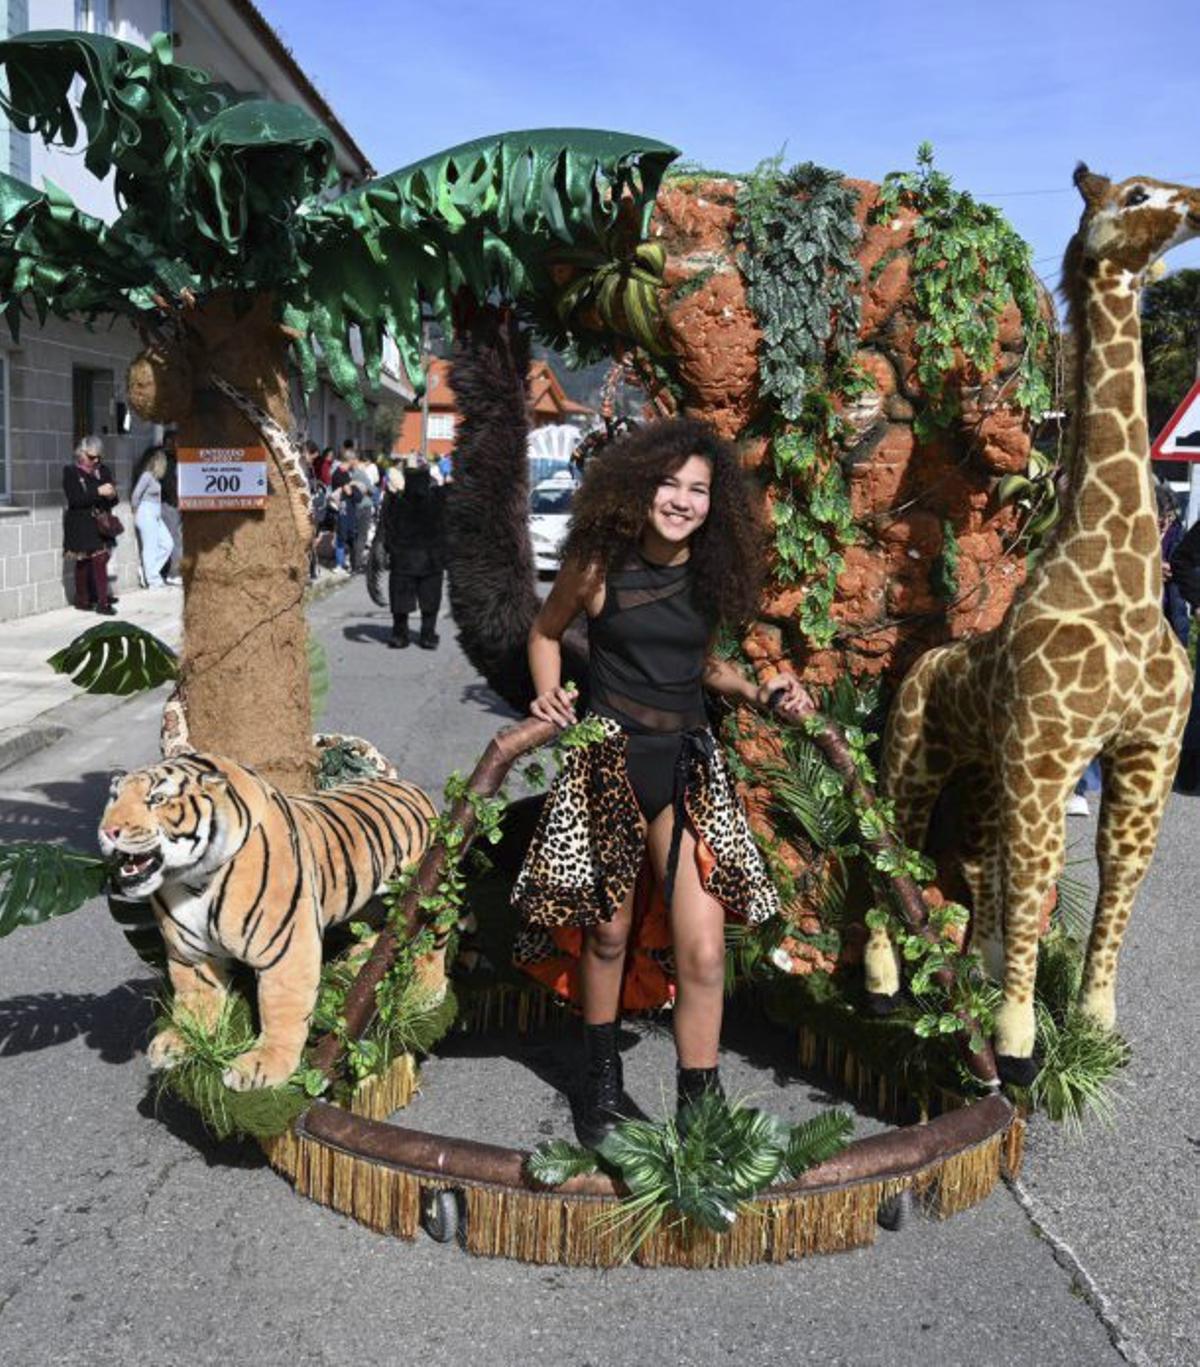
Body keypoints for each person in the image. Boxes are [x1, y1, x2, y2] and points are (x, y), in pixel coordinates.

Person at [511, 418, 808, 1148]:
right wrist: (548, 695)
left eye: (698, 489)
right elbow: (545, 632)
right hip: (609, 757)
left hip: (687, 764)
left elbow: (704, 665)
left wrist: (760, 690)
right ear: (641, 485)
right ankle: (600, 1090)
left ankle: (699, 1113)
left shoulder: (711, 573)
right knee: (607, 934)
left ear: (716, 502)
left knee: (704, 950)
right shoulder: (597, 564)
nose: (681, 500)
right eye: (670, 483)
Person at [380, 456, 445, 649]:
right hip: (424, 561)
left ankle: (405, 635)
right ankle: (423, 635)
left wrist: (388, 548)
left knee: (406, 601)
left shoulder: (398, 502)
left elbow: (386, 528)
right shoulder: (437, 501)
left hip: (409, 561)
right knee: (427, 601)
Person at [62, 435, 121, 614]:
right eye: (91, 457)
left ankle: (98, 599)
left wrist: (112, 496)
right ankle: (86, 599)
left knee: (99, 558)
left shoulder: (103, 471)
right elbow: (75, 499)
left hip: (100, 522)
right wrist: (98, 491)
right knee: (84, 561)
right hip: (80, 522)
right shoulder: (71, 472)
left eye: (98, 457)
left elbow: (112, 500)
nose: (95, 461)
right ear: (81, 454)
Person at [131, 446, 179, 589]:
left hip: (155, 514)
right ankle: (152, 580)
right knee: (150, 547)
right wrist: (135, 512)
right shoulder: (147, 476)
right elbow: (136, 494)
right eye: (164, 464)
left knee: (168, 544)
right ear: (159, 464)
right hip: (146, 512)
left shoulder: (155, 479)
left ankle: (148, 571)